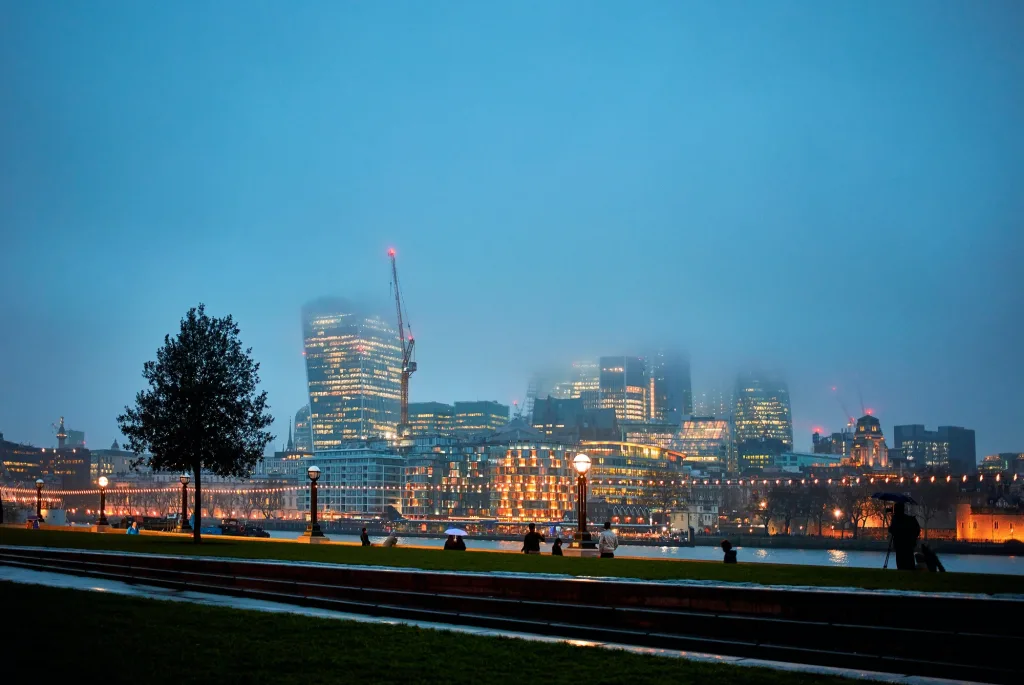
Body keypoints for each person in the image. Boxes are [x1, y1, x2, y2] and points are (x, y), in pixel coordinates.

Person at [888, 502, 921, 571]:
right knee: (909, 561)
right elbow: (917, 530)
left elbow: (892, 530)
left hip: (899, 544)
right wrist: (913, 538)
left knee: (900, 562)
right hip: (909, 544)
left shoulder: (896, 520)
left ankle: (902, 572)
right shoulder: (911, 519)